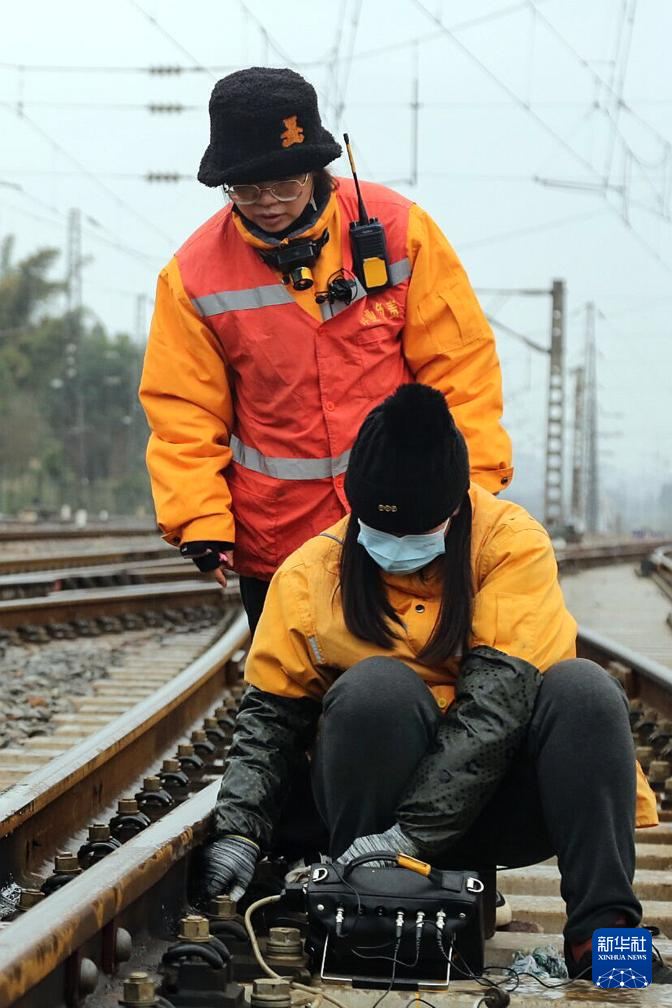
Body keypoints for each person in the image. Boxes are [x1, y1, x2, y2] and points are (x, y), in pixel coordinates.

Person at [198, 383, 670, 983]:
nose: (397, 547)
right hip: (373, 827)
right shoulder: (311, 573)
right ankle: (365, 915)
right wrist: (239, 832)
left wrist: (412, 835)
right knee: (375, 690)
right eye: (380, 529)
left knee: (586, 691)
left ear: (456, 509)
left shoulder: (510, 545)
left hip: (500, 808)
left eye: (416, 530)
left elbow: (497, 707)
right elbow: (269, 719)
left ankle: (605, 944)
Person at [139, 67, 513, 635]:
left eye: (285, 184)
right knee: (291, 681)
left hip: (408, 523)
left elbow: (460, 368)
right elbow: (183, 411)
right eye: (245, 189)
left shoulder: (402, 233)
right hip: (278, 538)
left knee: (405, 679)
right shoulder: (192, 277)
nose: (267, 203)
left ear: (318, 170)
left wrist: (471, 488)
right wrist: (199, 519)